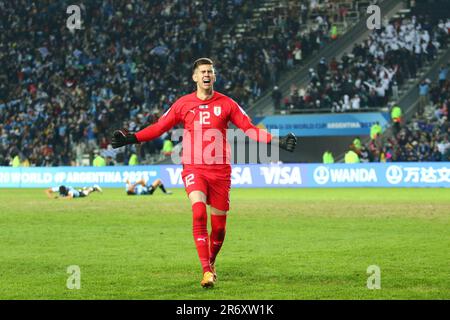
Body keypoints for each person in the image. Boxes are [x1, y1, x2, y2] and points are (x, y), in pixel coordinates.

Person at [111, 58, 297, 288]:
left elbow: (249, 129)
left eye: (210, 71)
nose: (207, 74)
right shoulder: (182, 103)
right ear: (195, 77)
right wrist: (131, 138)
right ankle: (206, 271)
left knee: (218, 229)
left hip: (220, 170)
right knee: (198, 212)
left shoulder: (228, 104)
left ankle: (211, 261)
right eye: (202, 71)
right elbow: (159, 127)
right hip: (193, 166)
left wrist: (275, 140)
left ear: (214, 77)